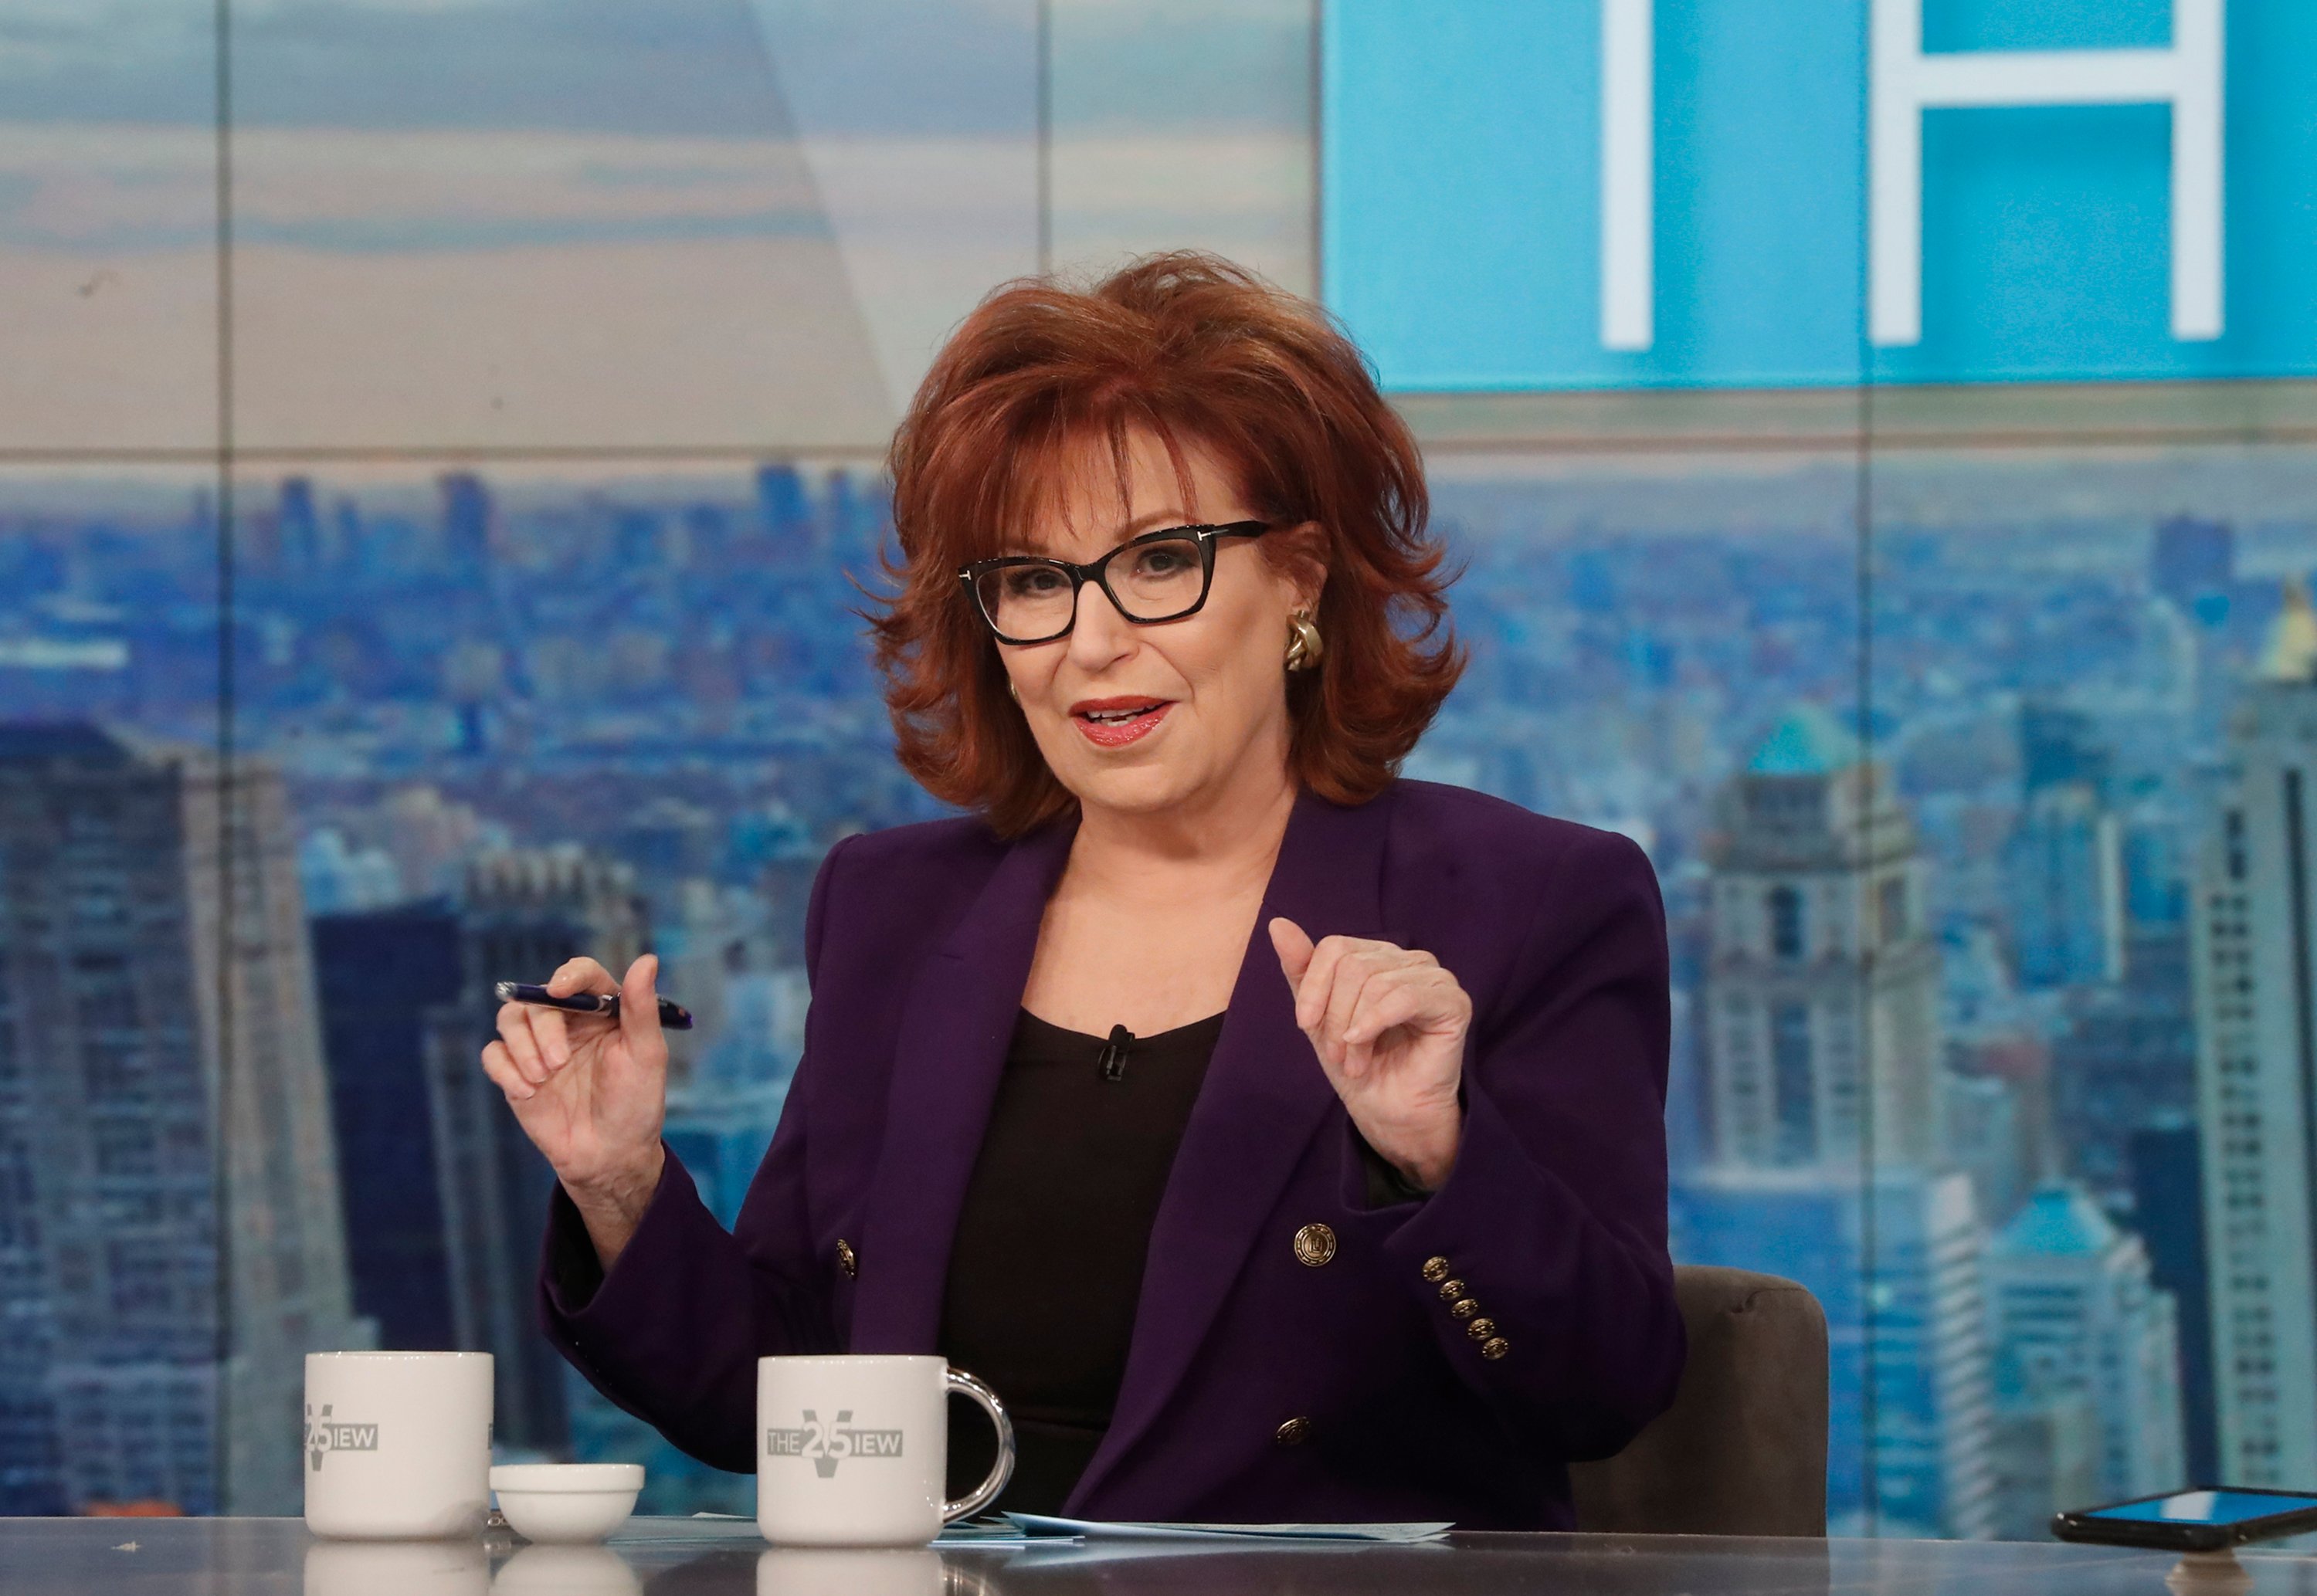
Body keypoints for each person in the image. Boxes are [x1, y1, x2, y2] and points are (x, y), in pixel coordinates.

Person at [481, 252, 1684, 1529]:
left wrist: (1438, 1157)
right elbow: (772, 1403)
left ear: (1303, 576)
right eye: (1034, 581)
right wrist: (619, 1183)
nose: (1094, 640)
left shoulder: (1534, 899)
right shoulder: (891, 906)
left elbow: (1600, 1393)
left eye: (1161, 560)